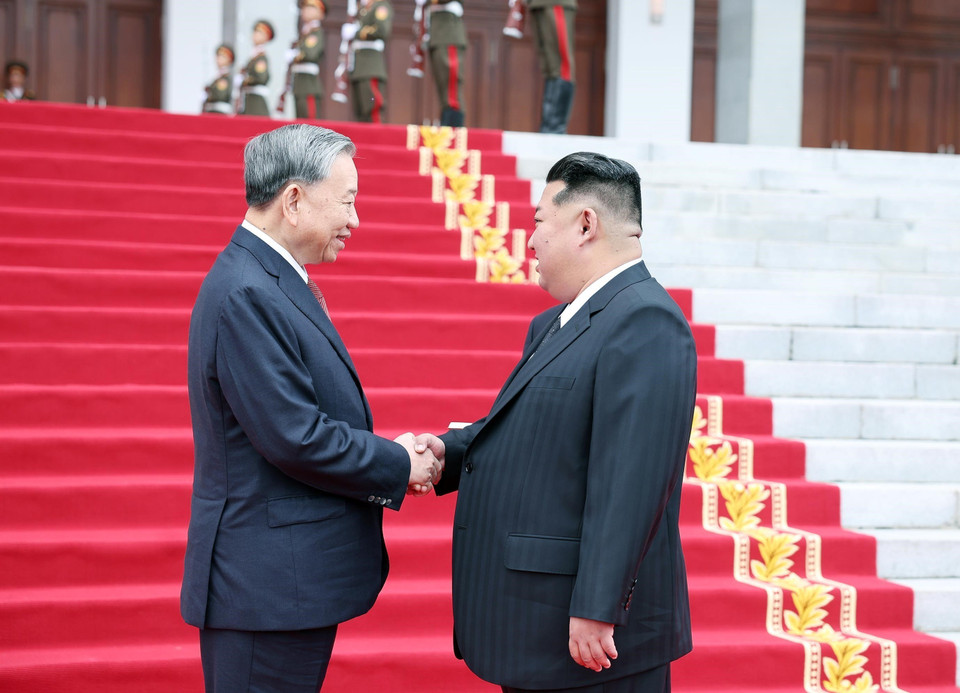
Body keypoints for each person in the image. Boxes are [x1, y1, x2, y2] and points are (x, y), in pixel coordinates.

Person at [180, 123, 444, 691]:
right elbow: (294, 436)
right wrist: (400, 461)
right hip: (265, 592)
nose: (355, 220)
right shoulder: (248, 291)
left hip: (282, 586)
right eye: (347, 201)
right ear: (294, 200)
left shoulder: (267, 278)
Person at [421, 152, 697, 692]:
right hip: (540, 625)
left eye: (539, 222)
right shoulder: (558, 321)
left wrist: (599, 605)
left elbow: (632, 480)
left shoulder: (645, 319)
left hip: (591, 638)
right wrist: (448, 452)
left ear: (586, 225)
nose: (530, 242)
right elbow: (532, 428)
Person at [528, 0, 576, 133]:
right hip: (536, 4)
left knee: (561, 66)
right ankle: (548, 125)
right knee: (549, 66)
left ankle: (556, 127)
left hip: (556, 3)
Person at [349, 0, 393, 123]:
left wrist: (357, 33)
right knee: (361, 113)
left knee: (373, 109)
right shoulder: (363, 9)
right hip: (358, 66)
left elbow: (382, 29)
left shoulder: (381, 6)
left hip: (370, 65)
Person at [424, 0, 466, 127]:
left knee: (451, 88)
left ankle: (453, 126)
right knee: (443, 85)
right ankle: (447, 123)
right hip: (437, 35)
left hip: (448, 33)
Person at [291, 0, 327, 119]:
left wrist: (296, 55)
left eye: (311, 8)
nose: (306, 11)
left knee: (310, 121)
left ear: (321, 13)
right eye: (305, 8)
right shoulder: (305, 33)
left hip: (308, 84)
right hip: (300, 83)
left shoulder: (315, 33)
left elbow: (310, 54)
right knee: (300, 121)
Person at [237, 19, 274, 116]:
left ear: (266, 37)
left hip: (256, 104)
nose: (255, 35)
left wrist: (245, 80)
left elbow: (260, 77)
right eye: (255, 31)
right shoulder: (254, 56)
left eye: (260, 33)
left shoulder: (261, 58)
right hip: (249, 101)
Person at [202, 44, 234, 115]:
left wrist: (209, 95)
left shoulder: (225, 79)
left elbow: (220, 95)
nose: (218, 59)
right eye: (218, 56)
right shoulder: (217, 78)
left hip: (219, 114)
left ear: (229, 59)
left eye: (223, 57)